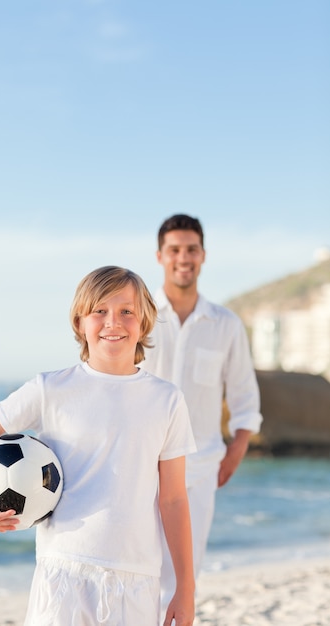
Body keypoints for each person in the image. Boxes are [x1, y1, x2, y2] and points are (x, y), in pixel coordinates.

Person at [0, 265, 196, 626]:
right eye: (100, 311)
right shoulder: (51, 389)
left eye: (127, 311)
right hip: (63, 571)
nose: (113, 322)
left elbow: (173, 498)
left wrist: (185, 589)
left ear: (144, 323)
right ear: (80, 322)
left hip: (136, 578)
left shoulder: (167, 400)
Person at [141, 215, 263, 611]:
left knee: (182, 579)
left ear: (203, 255)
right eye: (174, 250)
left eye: (191, 249)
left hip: (199, 469)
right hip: (139, 466)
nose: (183, 258)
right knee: (136, 570)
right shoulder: (139, 317)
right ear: (160, 256)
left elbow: (245, 395)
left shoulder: (226, 325)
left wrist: (236, 450)